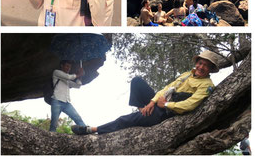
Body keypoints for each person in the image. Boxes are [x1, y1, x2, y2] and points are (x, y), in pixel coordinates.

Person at [73, 50, 219, 135]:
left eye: (205, 66)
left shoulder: (207, 85)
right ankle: (143, 111)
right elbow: (167, 87)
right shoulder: (188, 74)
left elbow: (191, 104)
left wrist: (167, 104)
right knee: (137, 81)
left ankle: (92, 129)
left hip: (168, 111)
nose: (201, 67)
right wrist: (152, 102)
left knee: (124, 120)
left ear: (211, 69)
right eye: (200, 63)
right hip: (161, 103)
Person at [49, 60, 86, 132]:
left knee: (77, 118)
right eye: (67, 66)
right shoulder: (56, 72)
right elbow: (68, 77)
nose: (68, 68)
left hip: (66, 102)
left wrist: (80, 77)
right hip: (56, 101)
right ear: (62, 66)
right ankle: (51, 138)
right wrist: (78, 74)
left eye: (70, 67)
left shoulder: (67, 79)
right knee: (54, 123)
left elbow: (77, 85)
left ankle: (85, 131)